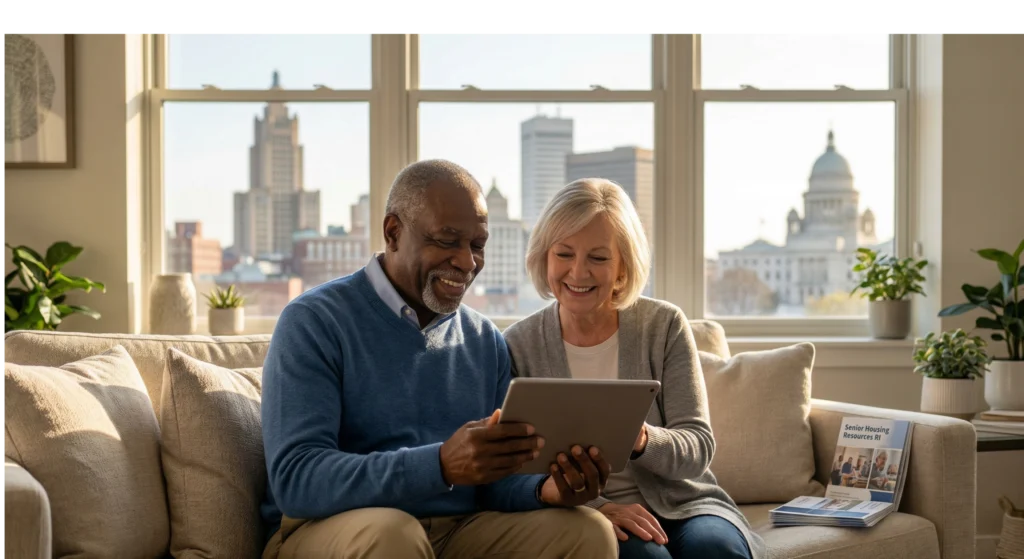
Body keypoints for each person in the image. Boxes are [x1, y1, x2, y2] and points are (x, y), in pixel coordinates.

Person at [260, 160, 619, 559]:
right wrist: (440, 465)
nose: (467, 262)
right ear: (393, 233)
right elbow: (297, 479)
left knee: (588, 532)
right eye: (448, 241)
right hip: (330, 528)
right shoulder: (314, 321)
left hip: (458, 530)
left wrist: (546, 489)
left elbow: (498, 482)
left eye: (477, 245)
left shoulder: (484, 340)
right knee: (394, 535)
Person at [503, 178, 767, 559]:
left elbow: (698, 446)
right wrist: (599, 508)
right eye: (564, 254)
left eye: (598, 258)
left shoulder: (664, 326)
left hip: (687, 503)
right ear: (544, 257)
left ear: (623, 267)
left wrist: (641, 438)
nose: (578, 272)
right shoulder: (518, 345)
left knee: (717, 550)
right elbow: (518, 471)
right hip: (587, 514)